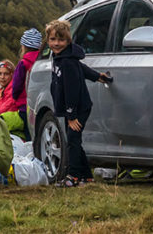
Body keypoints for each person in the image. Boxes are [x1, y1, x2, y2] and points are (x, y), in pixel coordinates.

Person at [46, 19, 109, 187]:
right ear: (48, 40)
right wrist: (98, 77)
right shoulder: (60, 57)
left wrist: (72, 115)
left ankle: (73, 176)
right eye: (53, 39)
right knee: (74, 140)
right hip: (71, 108)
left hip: (77, 107)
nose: (57, 43)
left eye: (61, 40)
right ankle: (86, 176)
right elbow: (83, 69)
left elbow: (72, 90)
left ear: (68, 41)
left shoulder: (67, 62)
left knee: (72, 140)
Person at [6, 27, 43, 138]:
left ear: (24, 46)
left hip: (24, 106)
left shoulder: (23, 63)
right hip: (41, 105)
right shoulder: (43, 61)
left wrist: (15, 97)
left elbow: (16, 85)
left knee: (28, 135)